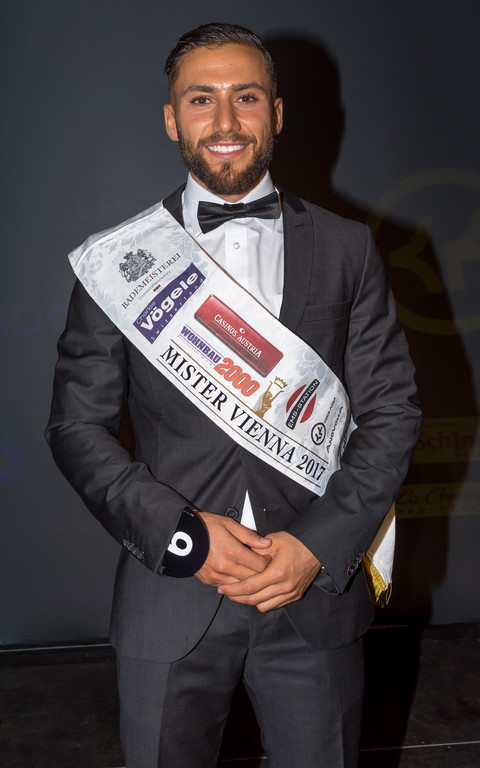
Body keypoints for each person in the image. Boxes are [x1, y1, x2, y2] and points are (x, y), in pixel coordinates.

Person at [46, 22, 421, 768]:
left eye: (245, 98)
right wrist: (184, 538)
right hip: (170, 596)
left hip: (313, 595)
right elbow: (76, 429)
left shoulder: (347, 248)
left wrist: (317, 547)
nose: (224, 121)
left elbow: (391, 413)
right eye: (201, 99)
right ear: (171, 118)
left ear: (275, 113)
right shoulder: (120, 264)